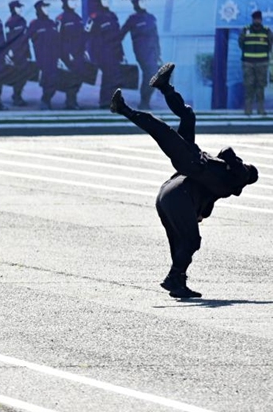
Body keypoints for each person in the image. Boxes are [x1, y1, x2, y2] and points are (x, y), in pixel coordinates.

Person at [110, 64, 259, 297]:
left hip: (189, 165)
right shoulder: (226, 186)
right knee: (187, 115)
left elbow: (227, 150)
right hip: (184, 175)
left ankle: (123, 109)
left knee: (161, 130)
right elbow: (206, 207)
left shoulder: (239, 176)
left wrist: (237, 164)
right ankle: (164, 87)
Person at [120, 0, 161, 110]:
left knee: (151, 75)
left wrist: (158, 53)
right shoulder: (132, 19)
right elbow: (120, 35)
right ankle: (144, 101)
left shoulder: (151, 18)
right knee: (150, 74)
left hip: (153, 52)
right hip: (142, 52)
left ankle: (145, 101)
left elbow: (155, 37)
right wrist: (119, 52)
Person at [86, 0, 123, 109]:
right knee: (108, 77)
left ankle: (113, 101)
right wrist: (90, 53)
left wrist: (121, 53)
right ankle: (105, 102)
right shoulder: (94, 17)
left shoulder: (112, 16)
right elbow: (87, 35)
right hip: (102, 52)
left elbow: (117, 36)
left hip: (114, 52)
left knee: (115, 77)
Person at [239, 10, 273, 115]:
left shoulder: (267, 31)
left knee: (260, 86)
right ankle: (248, 110)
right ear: (253, 19)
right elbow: (241, 43)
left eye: (258, 19)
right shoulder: (246, 30)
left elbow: (270, 45)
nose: (257, 20)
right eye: (255, 19)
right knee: (249, 87)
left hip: (262, 63)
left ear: (261, 20)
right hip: (248, 63)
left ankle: (261, 109)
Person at [27, 1, 60, 110]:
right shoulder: (34, 24)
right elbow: (26, 39)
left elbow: (58, 40)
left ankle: (46, 99)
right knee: (48, 79)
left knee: (54, 80)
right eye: (44, 7)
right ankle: (45, 101)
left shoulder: (52, 23)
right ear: (39, 9)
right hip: (42, 57)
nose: (47, 9)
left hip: (54, 57)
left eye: (47, 7)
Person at [56, 0, 85, 110]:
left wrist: (85, 50)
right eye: (72, 1)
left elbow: (83, 36)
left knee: (80, 77)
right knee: (71, 78)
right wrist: (63, 55)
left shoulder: (78, 18)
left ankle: (72, 99)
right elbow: (57, 39)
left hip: (79, 54)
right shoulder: (61, 18)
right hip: (68, 54)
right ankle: (70, 102)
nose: (75, 4)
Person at [5, 1, 29, 107]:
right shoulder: (10, 22)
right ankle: (16, 96)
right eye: (18, 7)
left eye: (21, 7)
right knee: (19, 75)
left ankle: (17, 94)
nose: (20, 9)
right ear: (13, 9)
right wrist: (10, 51)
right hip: (16, 53)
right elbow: (8, 39)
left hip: (24, 52)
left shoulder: (22, 20)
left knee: (24, 75)